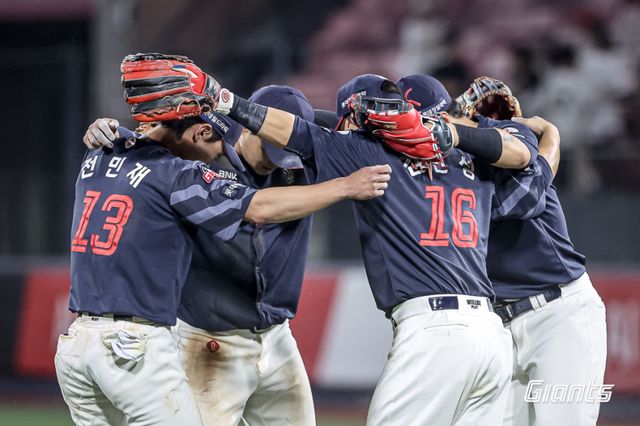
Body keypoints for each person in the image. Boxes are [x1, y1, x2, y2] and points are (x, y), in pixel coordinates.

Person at [123, 53, 552, 425]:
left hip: (433, 332)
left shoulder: (367, 152)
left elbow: (299, 132)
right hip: (490, 335)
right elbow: (527, 158)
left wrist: (224, 99)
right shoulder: (475, 156)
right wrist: (528, 131)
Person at [58, 55, 392, 426]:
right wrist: (345, 187)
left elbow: (146, 139)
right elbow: (258, 208)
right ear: (244, 127)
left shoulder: (105, 152)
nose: (279, 161)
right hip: (198, 340)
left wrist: (110, 131)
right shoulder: (189, 168)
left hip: (271, 337)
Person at [85, 84, 323, 425]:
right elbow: (150, 145)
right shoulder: (201, 154)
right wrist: (109, 131)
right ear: (247, 125)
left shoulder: (304, 159)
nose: (275, 158)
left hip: (278, 338)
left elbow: (351, 134)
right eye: (270, 146)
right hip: (207, 341)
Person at [453, 76, 607, 425]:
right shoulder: (444, 170)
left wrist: (549, 136)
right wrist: (552, 134)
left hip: (557, 314)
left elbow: (525, 198)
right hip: (496, 325)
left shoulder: (515, 150)